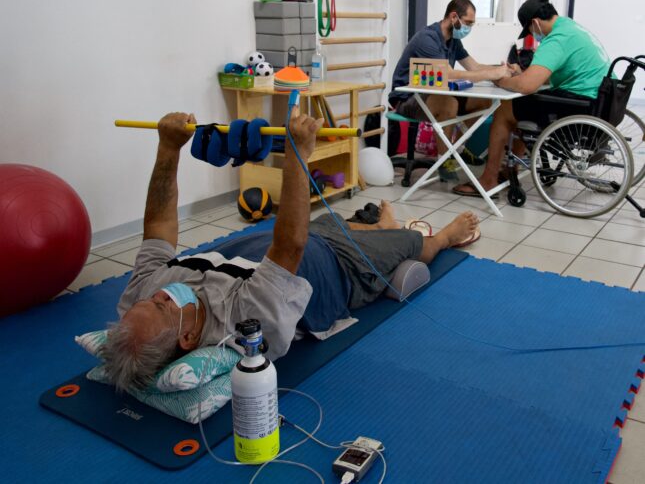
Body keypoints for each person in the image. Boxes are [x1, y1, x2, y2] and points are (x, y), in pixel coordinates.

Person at [102, 110, 479, 392]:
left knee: (335, 223)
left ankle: (380, 227)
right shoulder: (242, 326)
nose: (159, 295)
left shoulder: (138, 297)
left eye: (149, 300)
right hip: (339, 268)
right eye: (162, 306)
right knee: (415, 244)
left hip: (281, 240)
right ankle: (444, 236)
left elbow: (158, 228)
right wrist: (299, 152)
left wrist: (168, 148)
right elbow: (290, 247)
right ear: (187, 340)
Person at [453, 0, 612, 197]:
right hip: (599, 99)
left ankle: (488, 180)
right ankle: (509, 169)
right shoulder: (572, 28)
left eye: (529, 30)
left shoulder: (556, 39)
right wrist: (522, 74)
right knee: (522, 109)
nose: (532, 35)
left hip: (580, 104)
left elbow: (527, 86)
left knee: (506, 110)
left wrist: (500, 80)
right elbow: (545, 75)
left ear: (535, 23)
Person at [389, 0, 511, 180]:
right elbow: (448, 73)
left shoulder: (453, 39)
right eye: (468, 22)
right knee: (448, 103)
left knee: (484, 101)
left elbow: (474, 67)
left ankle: (457, 149)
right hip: (407, 98)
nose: (470, 28)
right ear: (454, 17)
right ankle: (444, 160)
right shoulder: (427, 39)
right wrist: (491, 75)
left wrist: (501, 70)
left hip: (433, 94)